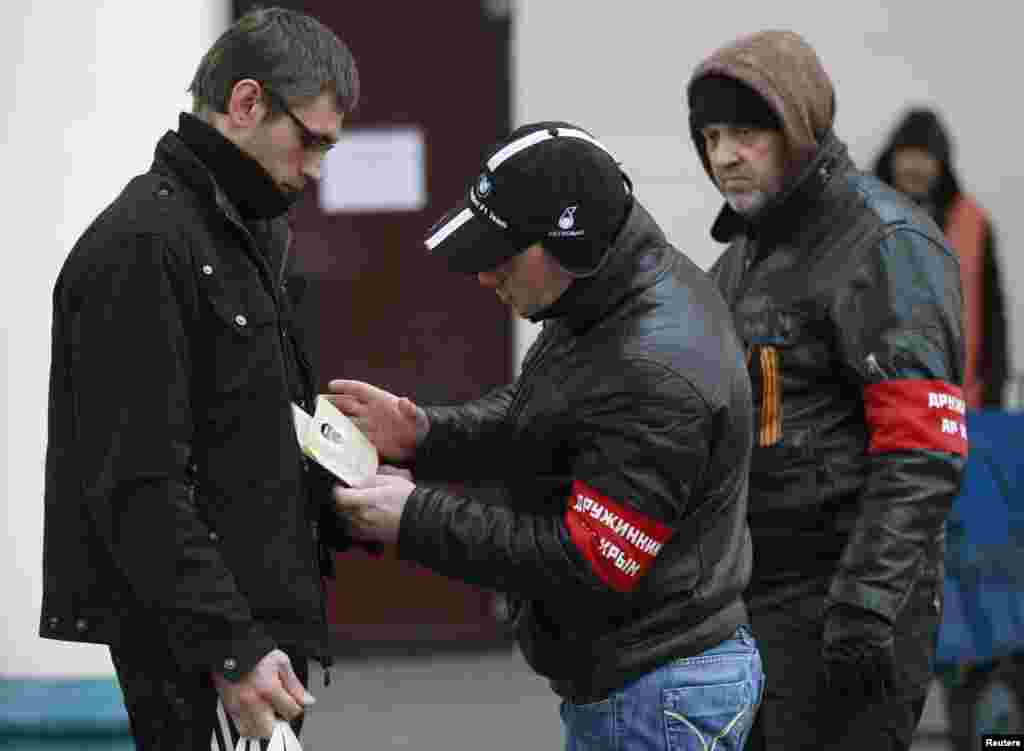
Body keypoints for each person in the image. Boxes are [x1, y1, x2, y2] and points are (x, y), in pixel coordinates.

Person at [330, 121, 763, 750]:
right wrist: (424, 435)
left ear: (570, 242)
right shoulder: (607, 293)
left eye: (501, 257)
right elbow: (554, 410)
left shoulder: (653, 366)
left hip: (656, 693)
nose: (484, 277)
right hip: (646, 677)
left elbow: (587, 560)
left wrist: (415, 518)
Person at [39, 8, 359, 747]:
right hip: (202, 650)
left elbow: (248, 429)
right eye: (308, 141)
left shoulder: (248, 231)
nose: (314, 170)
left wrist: (344, 464)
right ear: (246, 103)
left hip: (258, 633)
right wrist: (232, 648)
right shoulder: (141, 245)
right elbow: (137, 483)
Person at [684, 31, 967, 750]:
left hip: (849, 604)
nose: (723, 156)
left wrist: (867, 604)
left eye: (746, 132)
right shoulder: (743, 255)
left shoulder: (885, 243)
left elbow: (922, 449)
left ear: (799, 126)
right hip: (757, 600)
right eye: (711, 135)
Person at [874, 107, 1010, 410]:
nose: (915, 166)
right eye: (908, 153)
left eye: (926, 156)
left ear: (942, 165)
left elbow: (993, 317)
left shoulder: (975, 225)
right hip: (874, 400)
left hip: (955, 404)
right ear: (891, 157)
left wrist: (994, 395)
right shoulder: (858, 214)